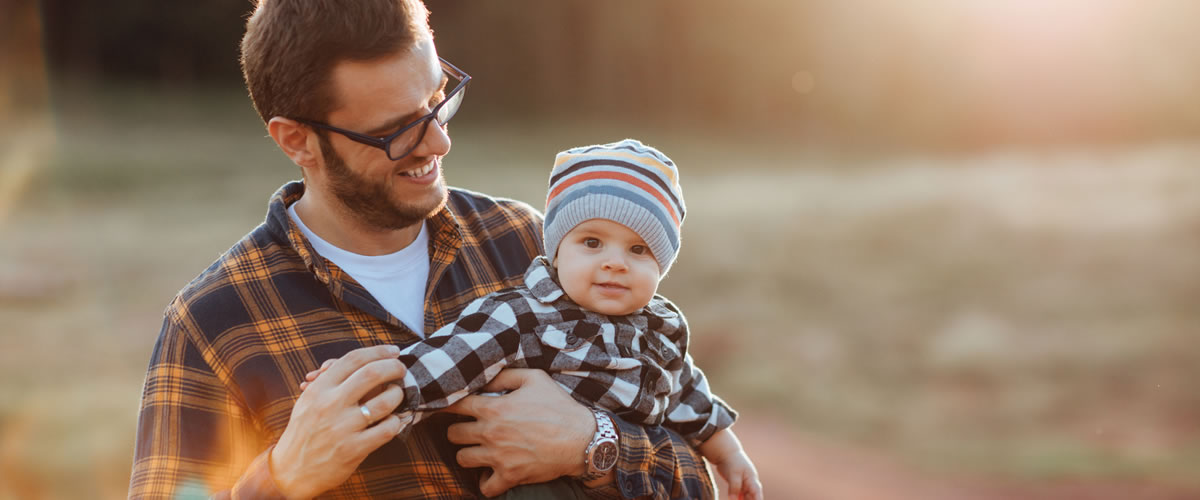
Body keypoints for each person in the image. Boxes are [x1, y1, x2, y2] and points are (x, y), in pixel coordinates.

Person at [128, 0, 718, 498]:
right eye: (396, 129)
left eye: (438, 99)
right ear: (297, 140)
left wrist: (594, 443)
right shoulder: (214, 325)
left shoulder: (531, 244)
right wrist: (281, 479)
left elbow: (701, 471)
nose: (439, 139)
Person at [302, 139, 762, 499]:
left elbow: (688, 396)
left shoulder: (662, 327)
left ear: (661, 265)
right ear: (557, 249)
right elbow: (445, 363)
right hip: (541, 485)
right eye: (593, 242)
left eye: (638, 250)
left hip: (625, 482)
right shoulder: (525, 314)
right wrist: (365, 392)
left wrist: (730, 455)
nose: (615, 263)